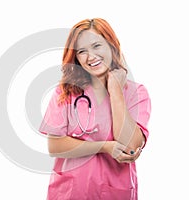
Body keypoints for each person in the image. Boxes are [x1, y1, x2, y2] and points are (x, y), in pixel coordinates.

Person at [39, 18, 151, 200]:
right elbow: (55, 146)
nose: (90, 57)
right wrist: (104, 147)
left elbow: (131, 146)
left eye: (97, 46)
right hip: (70, 193)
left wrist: (115, 91)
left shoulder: (136, 93)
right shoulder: (66, 91)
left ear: (112, 46)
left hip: (115, 193)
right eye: (82, 51)